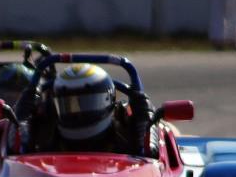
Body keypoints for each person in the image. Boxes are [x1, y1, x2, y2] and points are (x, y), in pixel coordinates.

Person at [14, 64, 154, 156]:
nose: (78, 114)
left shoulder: (128, 127)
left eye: (88, 103)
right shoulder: (42, 131)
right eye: (67, 105)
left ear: (108, 100)